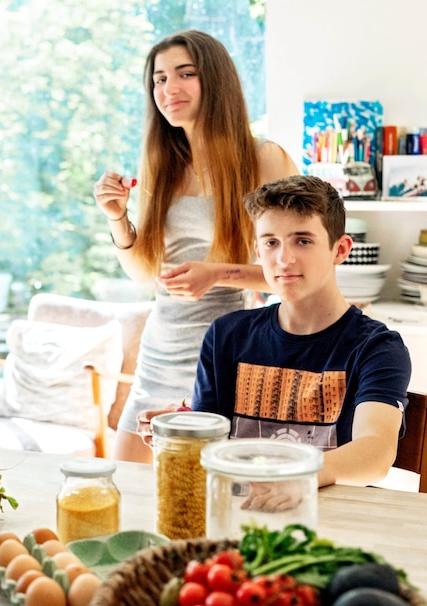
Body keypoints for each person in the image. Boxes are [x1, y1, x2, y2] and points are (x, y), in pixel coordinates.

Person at [93, 30, 299, 463]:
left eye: (185, 74)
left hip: (222, 355)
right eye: (160, 79)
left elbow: (299, 273)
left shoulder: (263, 159)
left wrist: (218, 273)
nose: (170, 89)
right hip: (158, 352)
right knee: (126, 488)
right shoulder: (160, 166)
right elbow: (145, 273)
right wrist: (117, 216)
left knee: (201, 499)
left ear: (216, 81)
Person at [138, 175, 411, 490]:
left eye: (303, 240)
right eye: (271, 242)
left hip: (329, 522)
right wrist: (181, 434)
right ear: (257, 250)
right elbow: (206, 449)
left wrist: (293, 478)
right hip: (237, 513)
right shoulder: (226, 335)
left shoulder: (377, 347)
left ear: (340, 250)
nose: (284, 258)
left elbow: (375, 452)